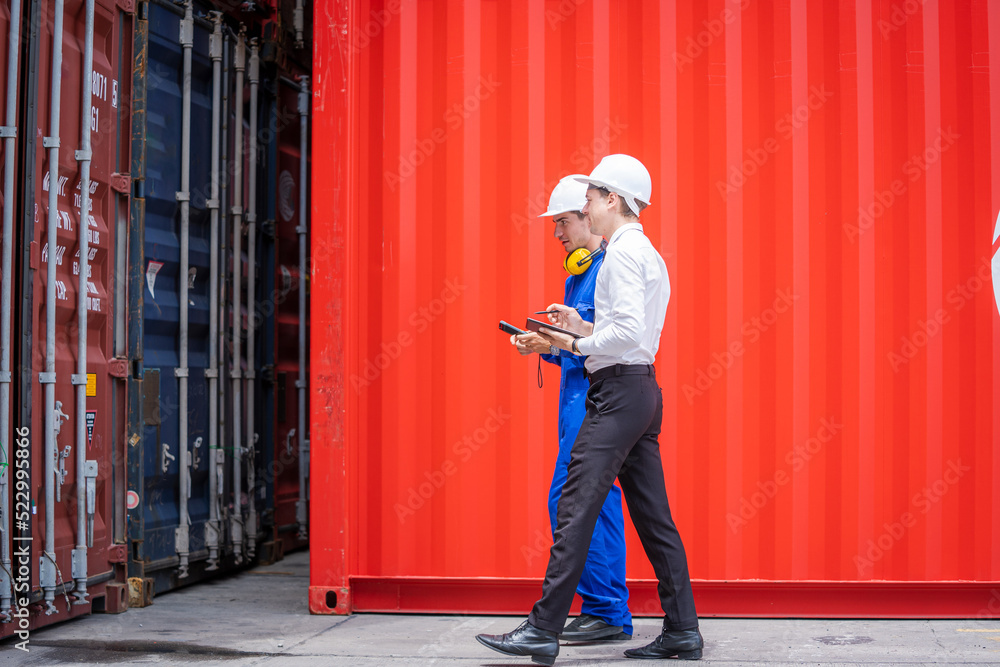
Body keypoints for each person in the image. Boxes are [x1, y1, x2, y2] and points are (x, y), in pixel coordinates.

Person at [477, 155, 702, 665]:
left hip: (617, 394)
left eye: (590, 199)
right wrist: (579, 326)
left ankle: (542, 629)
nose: (585, 208)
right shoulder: (646, 251)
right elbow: (635, 333)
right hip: (641, 389)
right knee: (653, 519)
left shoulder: (621, 253)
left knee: (574, 507)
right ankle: (683, 630)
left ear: (612, 200)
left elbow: (621, 333)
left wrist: (578, 346)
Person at [510, 175, 633, 642]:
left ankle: (605, 611)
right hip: (575, 404)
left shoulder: (609, 269)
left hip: (595, 404)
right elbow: (576, 347)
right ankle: (607, 612)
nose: (557, 233)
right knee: (596, 506)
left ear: (590, 216)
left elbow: (612, 340)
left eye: (562, 221)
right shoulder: (575, 274)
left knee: (570, 501)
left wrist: (566, 340)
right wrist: (542, 343)